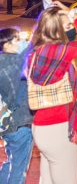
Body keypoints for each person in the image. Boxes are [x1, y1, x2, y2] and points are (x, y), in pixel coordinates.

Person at [27, 1, 77, 184]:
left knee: (48, 180)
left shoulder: (36, 52)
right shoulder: (60, 51)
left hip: (41, 128)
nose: (71, 29)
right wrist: (74, 15)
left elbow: (60, 76)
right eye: (67, 26)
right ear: (57, 31)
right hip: (59, 129)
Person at [0, 28, 34, 184]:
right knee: (19, 170)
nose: (22, 42)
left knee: (11, 161)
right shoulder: (14, 62)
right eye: (17, 39)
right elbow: (34, 42)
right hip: (20, 123)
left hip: (5, 123)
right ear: (6, 45)